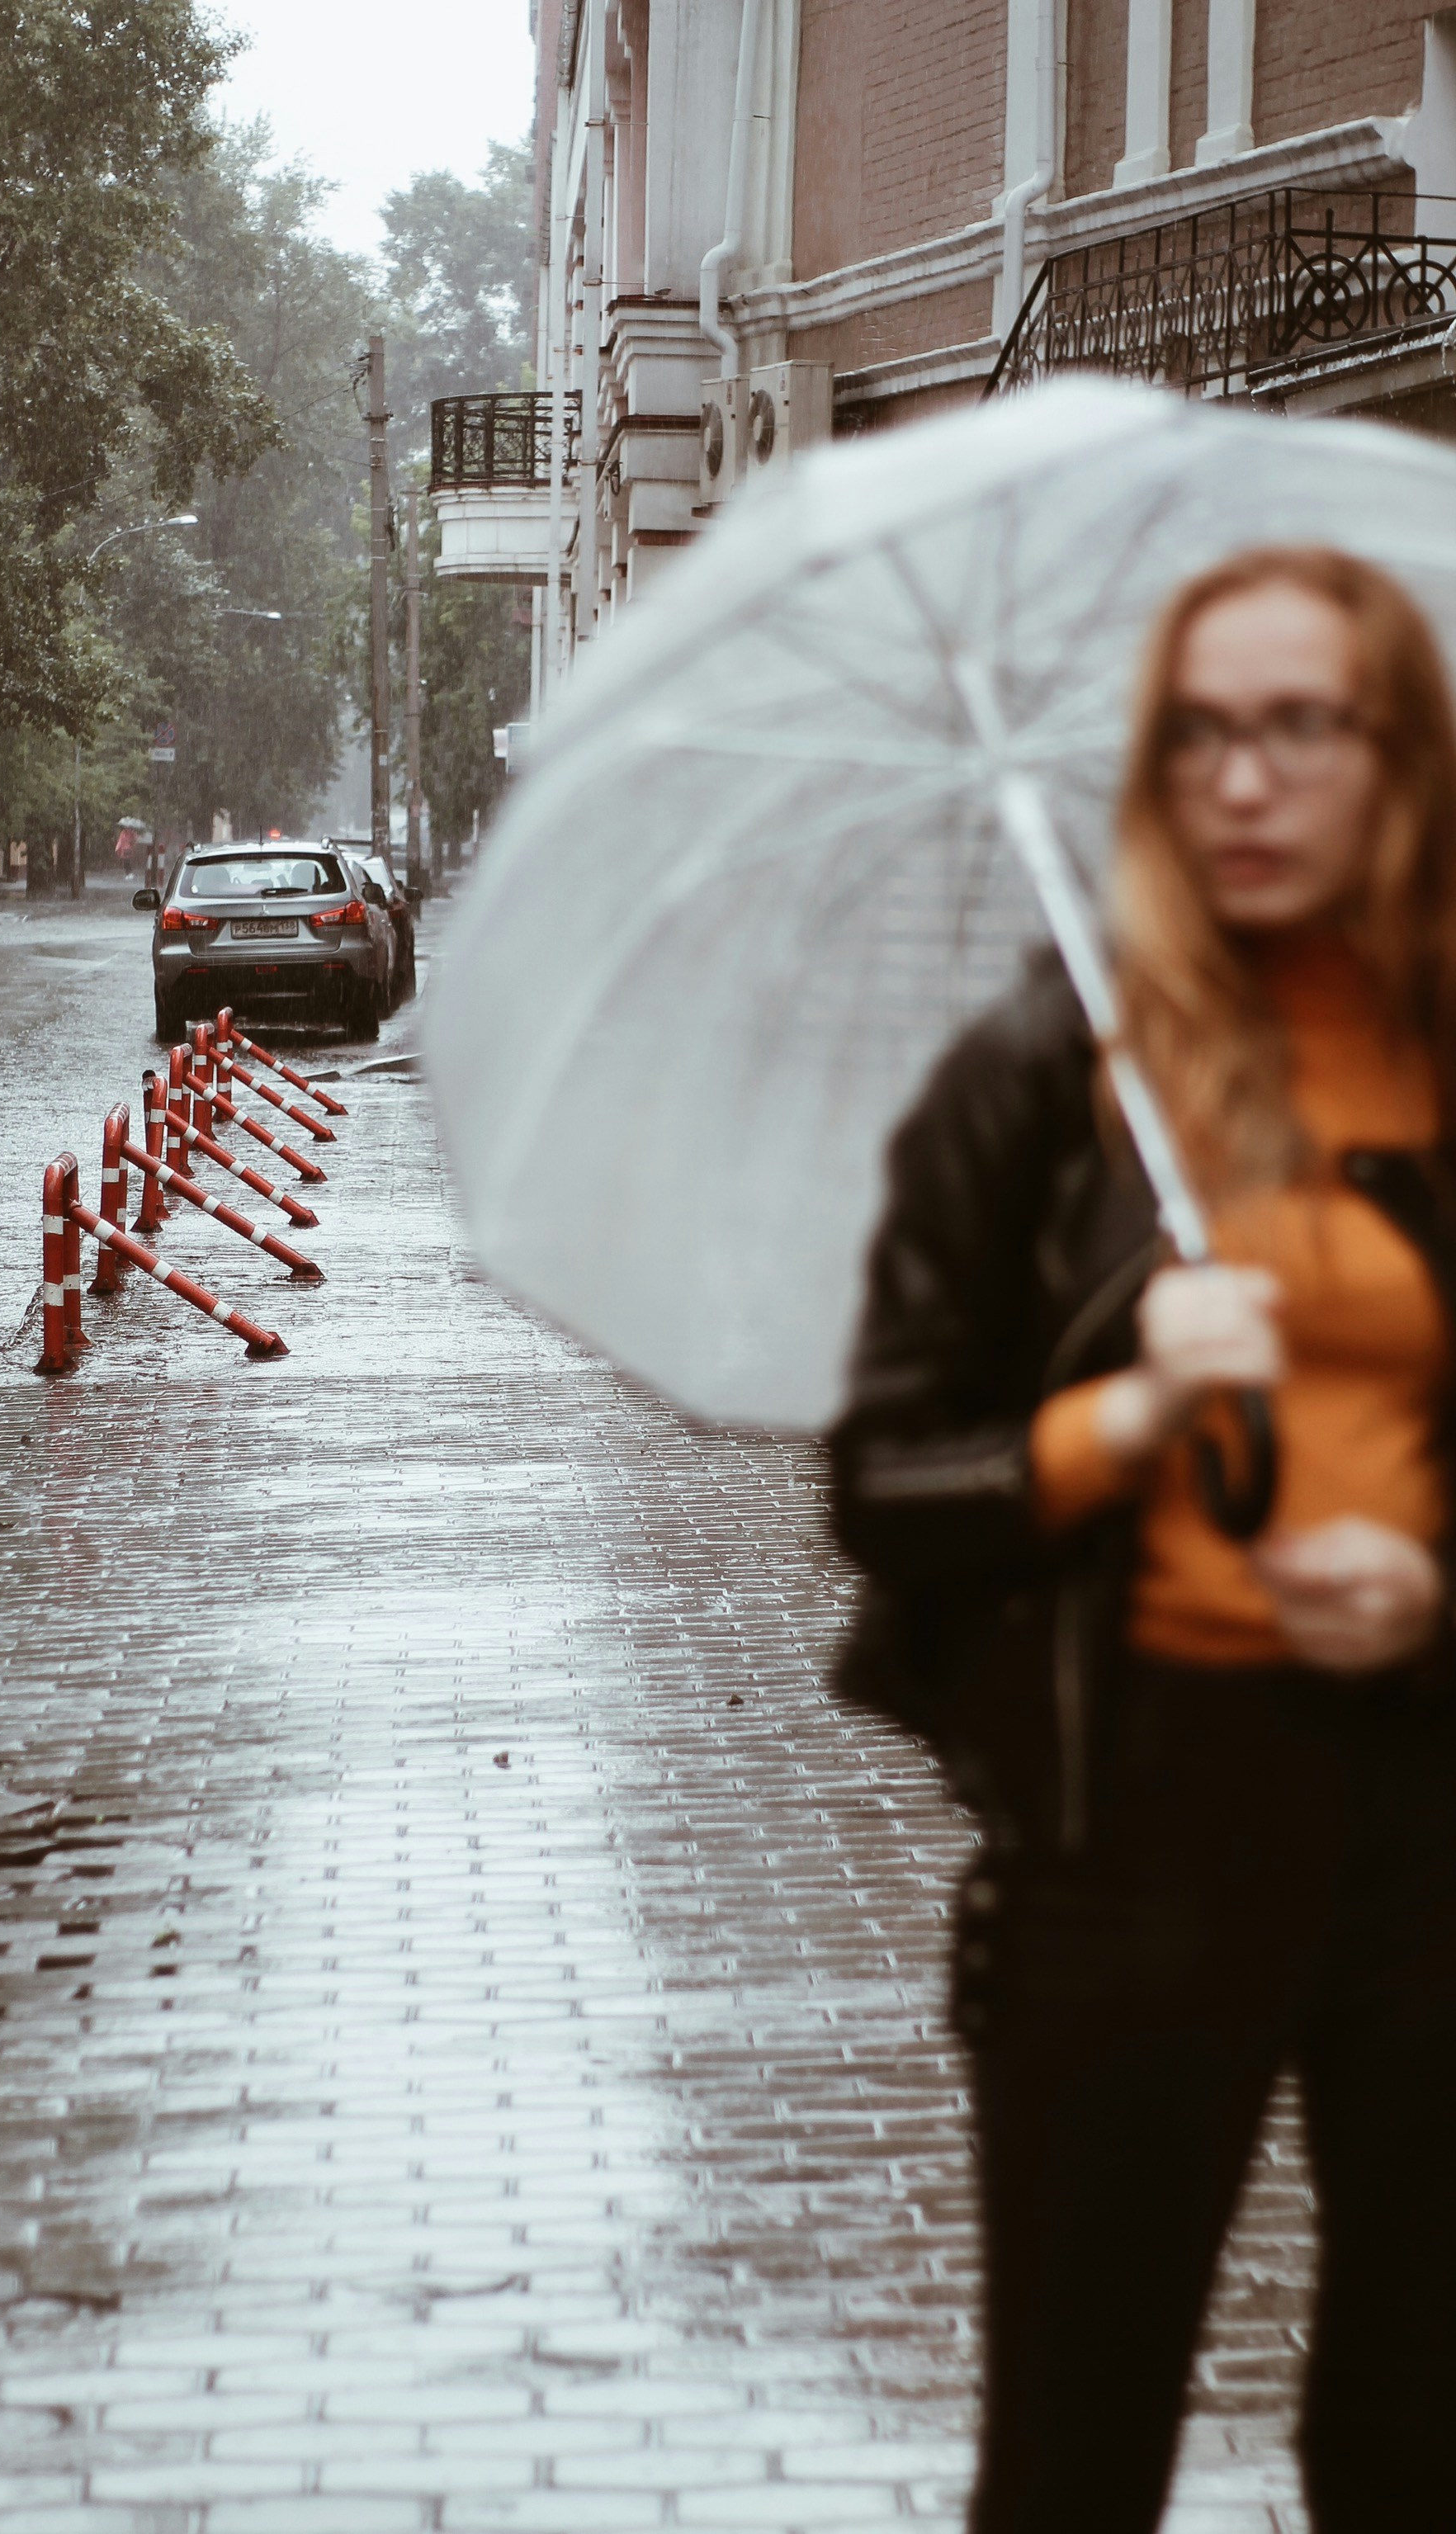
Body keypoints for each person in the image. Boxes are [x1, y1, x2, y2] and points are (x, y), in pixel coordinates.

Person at [829, 546, 1456, 2534]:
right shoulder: (1041, 1072)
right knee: (1075, 2459)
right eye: (1195, 734)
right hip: (1130, 1829)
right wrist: (1117, 1415)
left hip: (1437, 1830)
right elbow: (883, 1481)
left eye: (1298, 727)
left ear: (1401, 760)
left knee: (1418, 2438)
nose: (1242, 782)